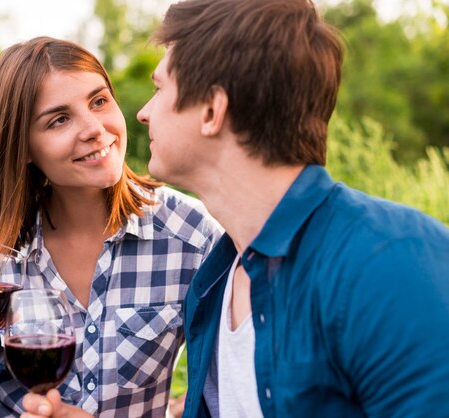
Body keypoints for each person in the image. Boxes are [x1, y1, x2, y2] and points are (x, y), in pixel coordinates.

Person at [138, 0, 449, 417]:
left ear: (212, 109)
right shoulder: (215, 281)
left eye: (159, 89)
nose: (143, 112)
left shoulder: (393, 264)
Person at [0, 36, 222, 418]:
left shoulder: (192, 238)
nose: (95, 129)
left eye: (99, 101)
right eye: (59, 119)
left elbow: (224, 394)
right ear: (24, 148)